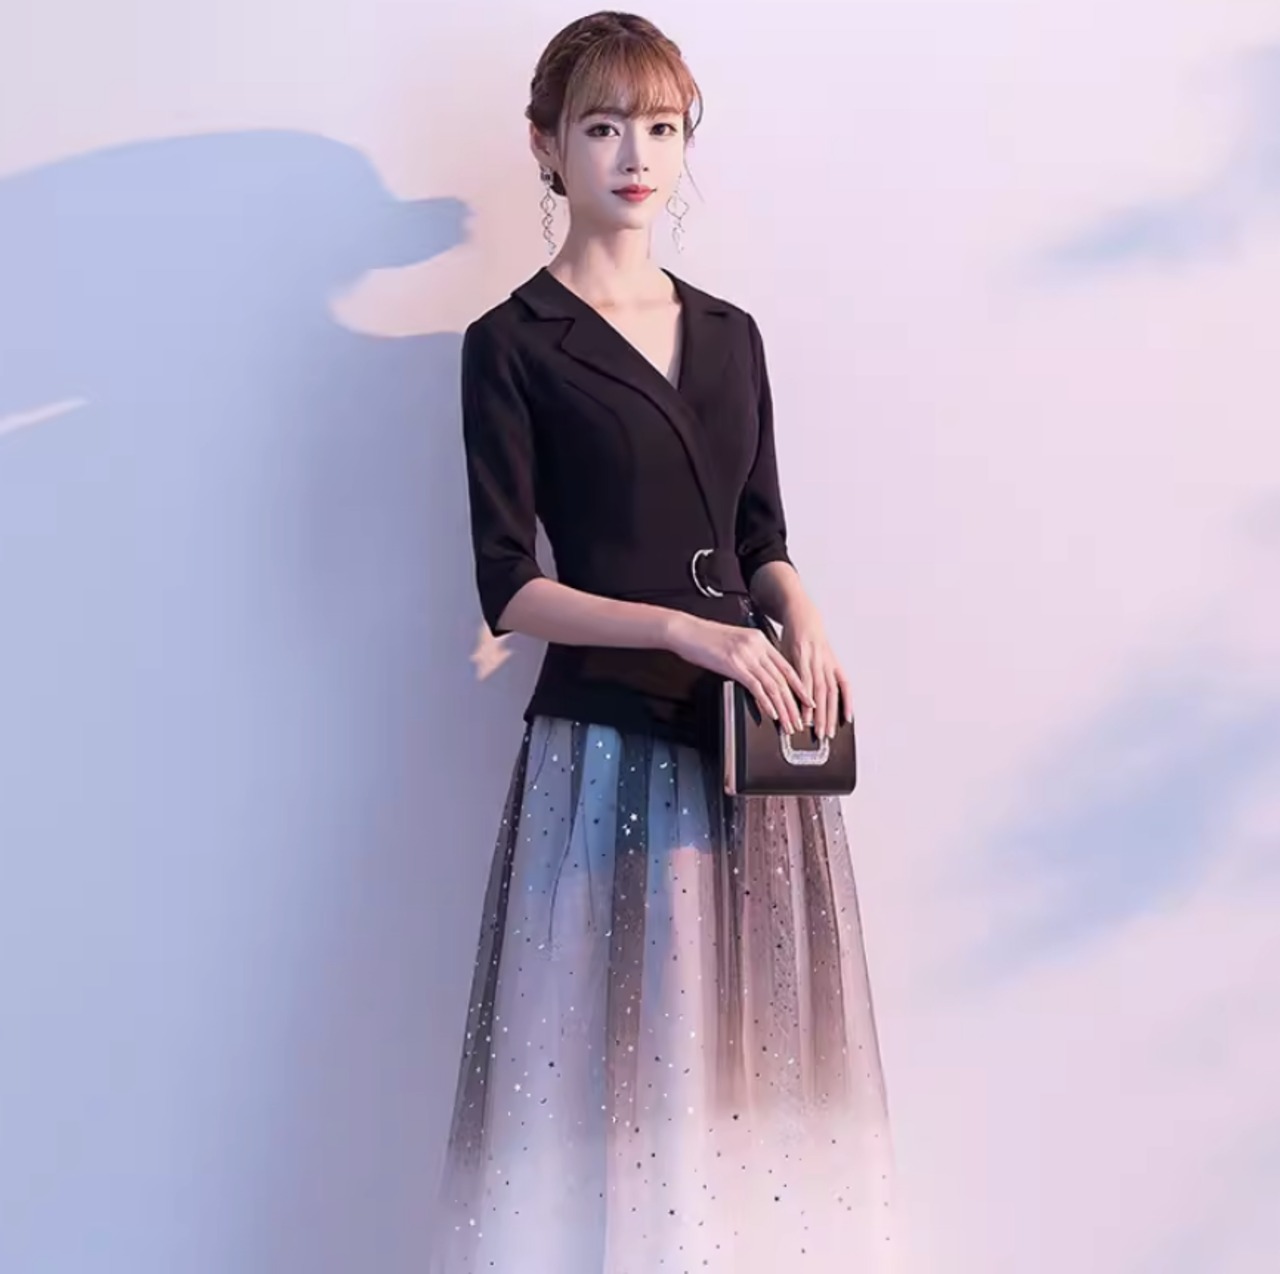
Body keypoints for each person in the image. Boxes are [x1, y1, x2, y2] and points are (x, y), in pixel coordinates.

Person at [432, 12, 895, 1273]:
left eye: (659, 126)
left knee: (744, 1062)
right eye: (601, 127)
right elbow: (509, 588)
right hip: (601, 745)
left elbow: (760, 532)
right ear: (545, 145)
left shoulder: (732, 333)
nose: (634, 155)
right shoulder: (511, 343)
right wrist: (686, 631)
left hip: (750, 746)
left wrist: (800, 614)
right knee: (606, 1066)